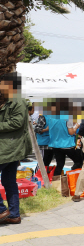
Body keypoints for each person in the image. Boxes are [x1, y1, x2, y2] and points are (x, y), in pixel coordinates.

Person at [0, 73, 31, 224]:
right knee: (8, 181)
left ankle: (1, 210)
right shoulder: (12, 101)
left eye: (1, 84)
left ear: (9, 85)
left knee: (9, 181)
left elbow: (16, 123)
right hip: (11, 147)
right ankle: (14, 215)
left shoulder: (18, 102)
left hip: (9, 148)